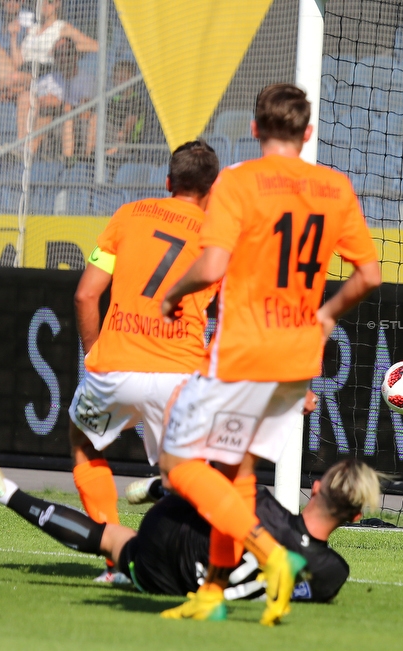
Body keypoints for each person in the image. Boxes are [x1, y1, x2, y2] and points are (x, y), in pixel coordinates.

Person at [156, 83, 381, 626]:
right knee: (236, 471)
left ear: (254, 129)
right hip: (297, 356)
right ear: (307, 133)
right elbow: (369, 274)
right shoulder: (334, 186)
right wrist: (327, 317)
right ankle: (213, 590)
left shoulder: (237, 182)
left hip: (243, 350)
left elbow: (211, 268)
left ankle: (271, 554)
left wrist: (170, 293)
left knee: (177, 463)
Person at [67, 140, 219, 582]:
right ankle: (201, 567)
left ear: (168, 182)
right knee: (193, 476)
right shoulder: (217, 234)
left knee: (80, 441)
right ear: (210, 191)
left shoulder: (128, 215)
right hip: (180, 373)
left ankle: (117, 558)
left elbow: (85, 294)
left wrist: (95, 353)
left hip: (115, 368)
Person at [0, 451, 382, 608]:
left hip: (171, 530)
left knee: (204, 486)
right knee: (115, 543)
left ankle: (9, 492)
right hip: (174, 580)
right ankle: (7, 492)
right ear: (356, 517)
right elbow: (303, 591)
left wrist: (163, 487)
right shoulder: (332, 572)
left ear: (315, 486)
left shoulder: (261, 502)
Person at [0, 0, 96, 116]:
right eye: (40, 2)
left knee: (12, 77)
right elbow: (18, 62)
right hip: (14, 69)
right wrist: (13, 36)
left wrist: (59, 51)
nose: (43, 5)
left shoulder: (49, 24)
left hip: (39, 74)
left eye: (48, 1)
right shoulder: (33, 28)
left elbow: (94, 46)